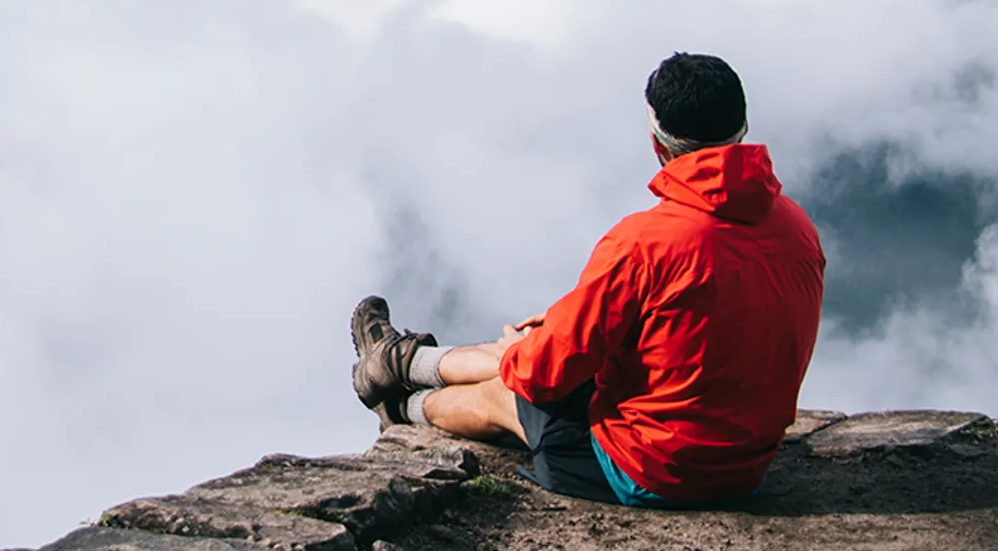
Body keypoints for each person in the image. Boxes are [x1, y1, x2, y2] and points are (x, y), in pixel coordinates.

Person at [350, 52, 826, 508]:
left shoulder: (645, 243)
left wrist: (524, 348)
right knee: (542, 342)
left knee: (511, 388)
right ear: (742, 131)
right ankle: (395, 362)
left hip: (652, 470)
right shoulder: (797, 228)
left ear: (657, 142)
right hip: (745, 468)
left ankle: (402, 408)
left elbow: (541, 375)